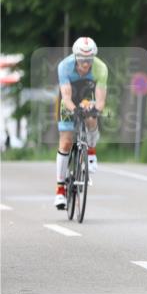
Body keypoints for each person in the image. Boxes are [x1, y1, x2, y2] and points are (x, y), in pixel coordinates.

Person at [54, 37, 107, 209]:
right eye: (82, 60)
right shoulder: (64, 66)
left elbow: (100, 101)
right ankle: (60, 190)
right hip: (69, 99)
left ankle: (90, 151)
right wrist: (74, 110)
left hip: (87, 96)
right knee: (66, 142)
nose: (86, 63)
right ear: (76, 57)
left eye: (89, 59)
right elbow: (66, 97)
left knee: (92, 117)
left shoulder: (101, 68)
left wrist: (94, 110)